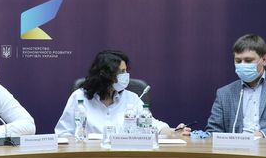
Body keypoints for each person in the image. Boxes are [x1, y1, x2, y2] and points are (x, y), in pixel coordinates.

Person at [54, 50, 189, 136]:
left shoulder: (132, 98)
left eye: (126, 71)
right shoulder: (79, 97)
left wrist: (174, 132)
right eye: (121, 72)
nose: (126, 76)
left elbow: (153, 126)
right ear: (104, 74)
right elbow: (63, 133)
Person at [206, 34, 266, 139]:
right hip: (235, 147)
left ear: (264, 60)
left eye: (248, 60)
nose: (242, 65)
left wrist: (263, 134)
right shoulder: (224, 93)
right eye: (238, 61)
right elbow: (213, 131)